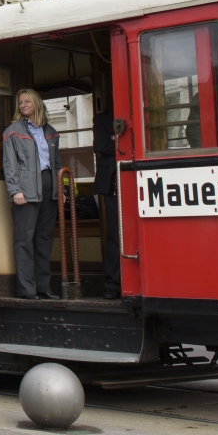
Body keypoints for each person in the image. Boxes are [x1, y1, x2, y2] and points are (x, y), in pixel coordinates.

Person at [2, 88, 61, 300]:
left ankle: (44, 287)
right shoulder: (13, 131)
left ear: (36, 103)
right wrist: (15, 190)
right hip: (25, 189)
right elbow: (9, 164)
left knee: (44, 239)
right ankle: (27, 290)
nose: (23, 105)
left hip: (48, 187)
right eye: (20, 103)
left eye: (27, 101)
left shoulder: (51, 132)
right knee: (24, 239)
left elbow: (57, 165)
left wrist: (59, 190)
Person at [92, 94, 120, 300]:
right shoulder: (102, 118)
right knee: (114, 235)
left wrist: (115, 140)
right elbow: (100, 146)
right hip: (112, 183)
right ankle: (113, 284)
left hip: (134, 180)